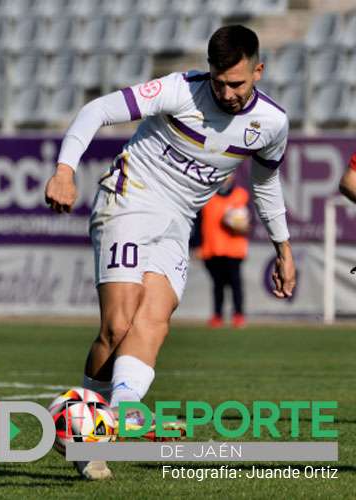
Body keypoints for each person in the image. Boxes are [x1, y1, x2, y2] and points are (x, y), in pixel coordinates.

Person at [44, 25, 296, 480]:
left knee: (153, 320)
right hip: (130, 199)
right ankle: (85, 434)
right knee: (118, 323)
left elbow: (265, 183)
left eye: (237, 83)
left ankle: (113, 418)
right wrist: (65, 170)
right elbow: (97, 110)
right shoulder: (180, 90)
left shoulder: (272, 124)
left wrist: (283, 248)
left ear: (259, 71)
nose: (227, 92)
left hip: (178, 223)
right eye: (219, 82)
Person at [197, 175, 250, 328]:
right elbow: (198, 221)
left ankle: (238, 315)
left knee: (235, 283)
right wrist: (197, 245)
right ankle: (217, 315)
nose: (226, 178)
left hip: (234, 248)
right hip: (212, 247)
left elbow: (249, 220)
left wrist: (241, 225)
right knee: (217, 284)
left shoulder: (241, 194)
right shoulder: (207, 195)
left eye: (230, 174)